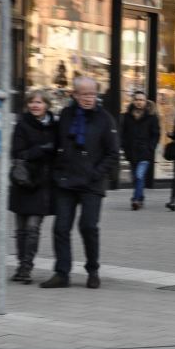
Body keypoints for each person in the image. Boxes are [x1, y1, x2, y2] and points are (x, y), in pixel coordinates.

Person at [43, 75, 118, 289]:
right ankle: (62, 273)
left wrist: (96, 173)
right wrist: (57, 171)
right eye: (84, 94)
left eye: (93, 94)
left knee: (88, 226)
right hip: (66, 181)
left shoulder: (105, 119)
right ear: (74, 95)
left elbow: (113, 153)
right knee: (61, 228)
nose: (89, 98)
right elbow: (56, 143)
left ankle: (93, 269)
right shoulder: (66, 115)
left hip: (92, 184)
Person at [8, 89, 57, 284]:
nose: (35, 105)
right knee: (21, 230)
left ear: (47, 105)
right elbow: (18, 153)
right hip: (23, 182)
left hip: (43, 184)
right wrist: (42, 150)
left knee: (32, 227)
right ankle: (21, 265)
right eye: (32, 102)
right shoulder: (22, 125)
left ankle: (26, 267)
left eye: (39, 102)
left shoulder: (55, 126)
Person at [119, 91, 159, 211]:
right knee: (136, 178)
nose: (139, 102)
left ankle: (135, 200)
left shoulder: (152, 116)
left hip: (145, 152)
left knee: (139, 175)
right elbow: (123, 133)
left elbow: (156, 134)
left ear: (145, 101)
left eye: (141, 100)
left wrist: (150, 147)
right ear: (133, 100)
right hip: (131, 152)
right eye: (136, 99)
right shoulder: (127, 116)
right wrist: (124, 146)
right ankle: (140, 197)